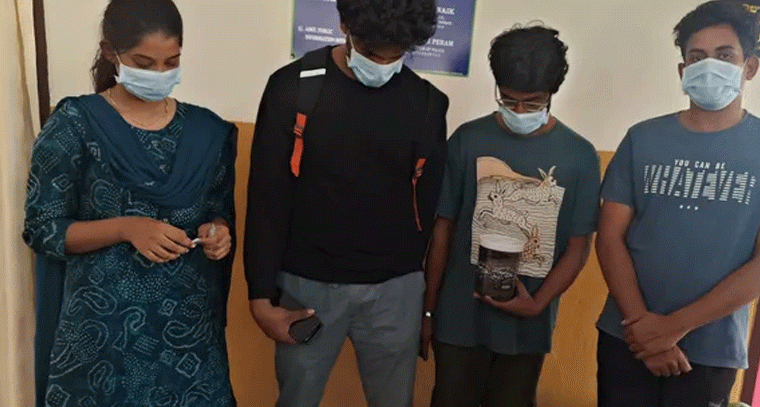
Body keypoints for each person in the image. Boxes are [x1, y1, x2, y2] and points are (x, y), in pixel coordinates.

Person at [23, 0, 237, 405]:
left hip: (188, 340)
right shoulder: (75, 124)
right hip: (101, 339)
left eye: (171, 62)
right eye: (144, 62)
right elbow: (43, 229)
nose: (160, 73)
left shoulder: (206, 132)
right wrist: (126, 228)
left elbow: (217, 211)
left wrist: (217, 233)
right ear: (111, 52)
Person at [244, 0, 447, 406]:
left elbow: (426, 209)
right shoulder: (293, 88)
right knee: (297, 399)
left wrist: (424, 307)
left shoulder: (427, 103)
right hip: (308, 288)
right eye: (372, 54)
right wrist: (260, 297)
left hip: (395, 292)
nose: (383, 65)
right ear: (343, 25)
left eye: (396, 56)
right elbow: (267, 198)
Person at [420, 24, 600, 407]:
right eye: (509, 100)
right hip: (459, 321)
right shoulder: (468, 140)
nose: (519, 111)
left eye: (532, 103)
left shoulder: (579, 156)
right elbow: (443, 230)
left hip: (526, 327)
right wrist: (429, 309)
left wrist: (538, 304)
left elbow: (579, 246)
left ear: (552, 93)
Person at [596, 1, 760, 405]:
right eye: (697, 57)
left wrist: (672, 328)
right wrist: (642, 326)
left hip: (711, 350)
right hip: (627, 336)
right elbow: (610, 238)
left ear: (750, 67)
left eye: (725, 56)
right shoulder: (642, 139)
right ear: (683, 70)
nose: (710, 66)